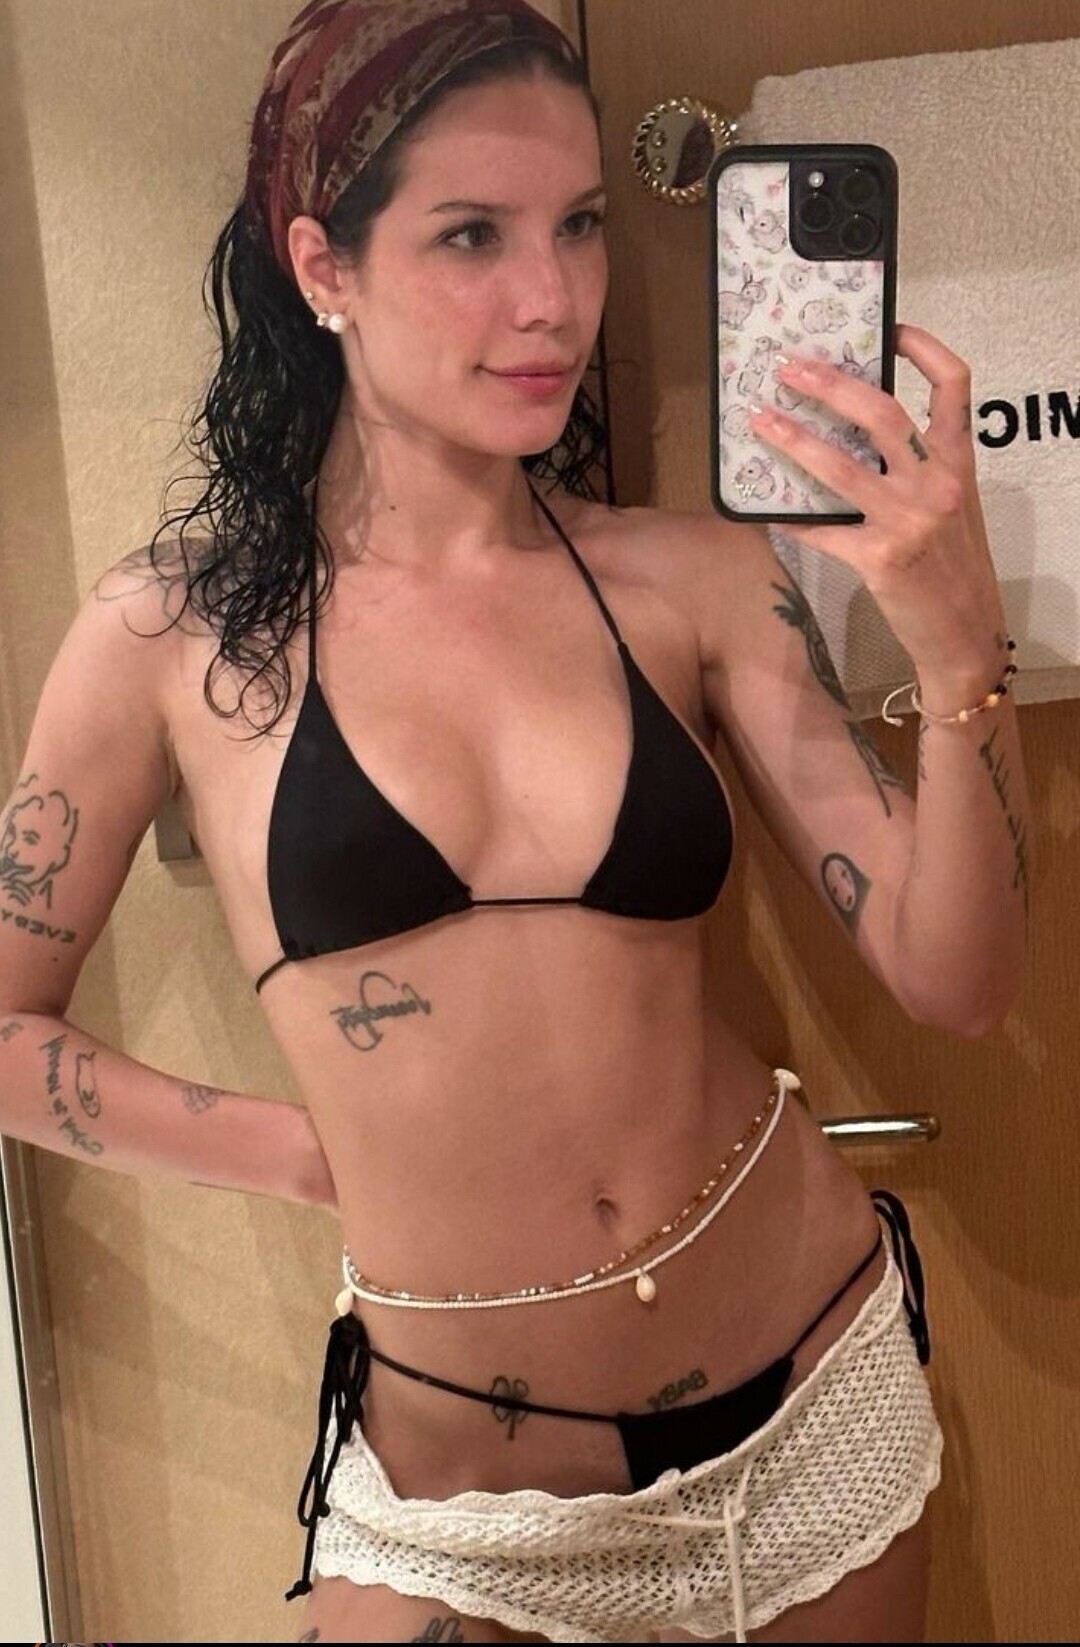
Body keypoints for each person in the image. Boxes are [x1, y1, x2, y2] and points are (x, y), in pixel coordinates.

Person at [0, 1, 1031, 1641]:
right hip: (461, 1508)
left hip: (813, 1409)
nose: (552, 298)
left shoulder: (694, 579)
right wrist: (308, 1157)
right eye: (471, 234)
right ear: (323, 267)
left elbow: (955, 981)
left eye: (581, 225)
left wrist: (962, 656)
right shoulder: (172, 638)